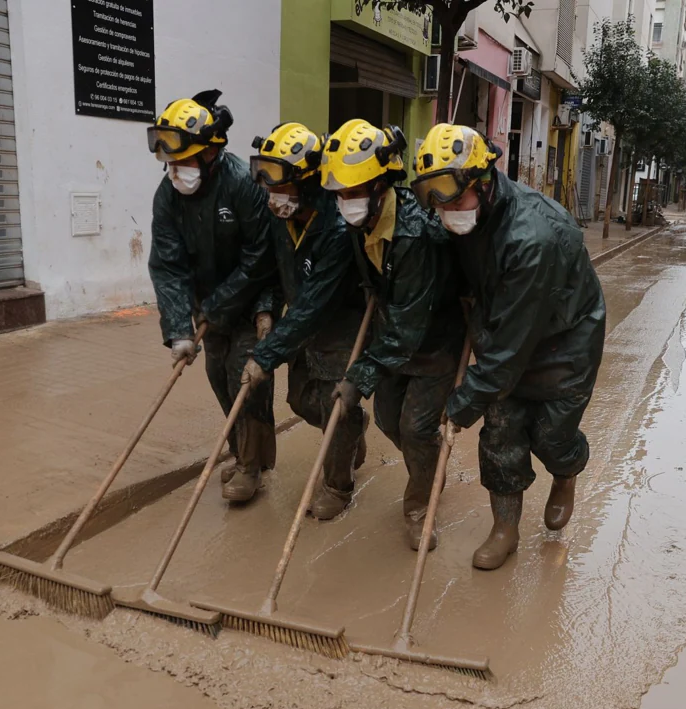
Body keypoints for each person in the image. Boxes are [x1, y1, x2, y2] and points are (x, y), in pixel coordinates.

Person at [412, 124, 606, 571]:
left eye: (452, 199)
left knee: (550, 435)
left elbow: (509, 352)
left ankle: (567, 468)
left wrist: (461, 403)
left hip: (565, 340)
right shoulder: (464, 213)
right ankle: (505, 528)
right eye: (435, 200)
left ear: (482, 183)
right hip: (504, 327)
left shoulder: (533, 236)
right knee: (500, 432)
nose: (444, 211)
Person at [321, 119, 466, 550]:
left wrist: (357, 378)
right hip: (391, 339)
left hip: (433, 342)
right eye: (340, 192)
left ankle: (419, 505)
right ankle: (431, 466)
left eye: (353, 191)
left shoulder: (415, 233)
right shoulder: (359, 221)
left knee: (416, 428)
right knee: (387, 419)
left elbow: (410, 326)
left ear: (381, 185)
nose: (344, 201)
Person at [147, 90, 279, 503]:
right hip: (208, 308)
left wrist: (224, 305)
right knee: (219, 380)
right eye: (169, 162)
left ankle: (251, 468)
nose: (175, 170)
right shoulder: (168, 195)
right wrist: (178, 329)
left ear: (210, 154)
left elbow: (260, 256)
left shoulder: (243, 184)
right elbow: (167, 265)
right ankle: (241, 452)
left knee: (248, 382)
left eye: (183, 160)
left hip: (251, 302)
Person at [239, 122, 369, 519]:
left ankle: (337, 486)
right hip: (302, 324)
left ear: (308, 181)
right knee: (300, 400)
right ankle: (353, 432)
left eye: (279, 181)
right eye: (266, 180)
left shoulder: (335, 226)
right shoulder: (283, 216)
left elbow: (316, 303)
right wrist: (265, 308)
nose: (270, 192)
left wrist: (266, 356)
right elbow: (270, 270)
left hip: (339, 322)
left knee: (335, 406)